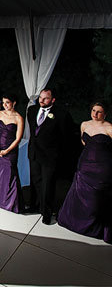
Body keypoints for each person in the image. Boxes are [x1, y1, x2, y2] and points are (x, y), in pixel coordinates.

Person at [58, 102, 111, 243]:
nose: (95, 114)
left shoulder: (110, 128)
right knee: (80, 194)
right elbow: (84, 142)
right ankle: (76, 223)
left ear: (105, 114)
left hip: (101, 168)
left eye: (99, 112)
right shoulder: (84, 124)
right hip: (85, 164)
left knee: (95, 199)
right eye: (93, 110)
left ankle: (94, 227)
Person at [26, 88, 74, 224]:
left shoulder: (61, 114)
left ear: (53, 100)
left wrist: (58, 154)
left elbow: (66, 137)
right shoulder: (32, 110)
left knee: (48, 184)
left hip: (50, 156)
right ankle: (35, 206)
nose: (41, 100)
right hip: (34, 152)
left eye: (45, 98)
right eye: (40, 97)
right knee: (35, 181)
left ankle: (47, 212)